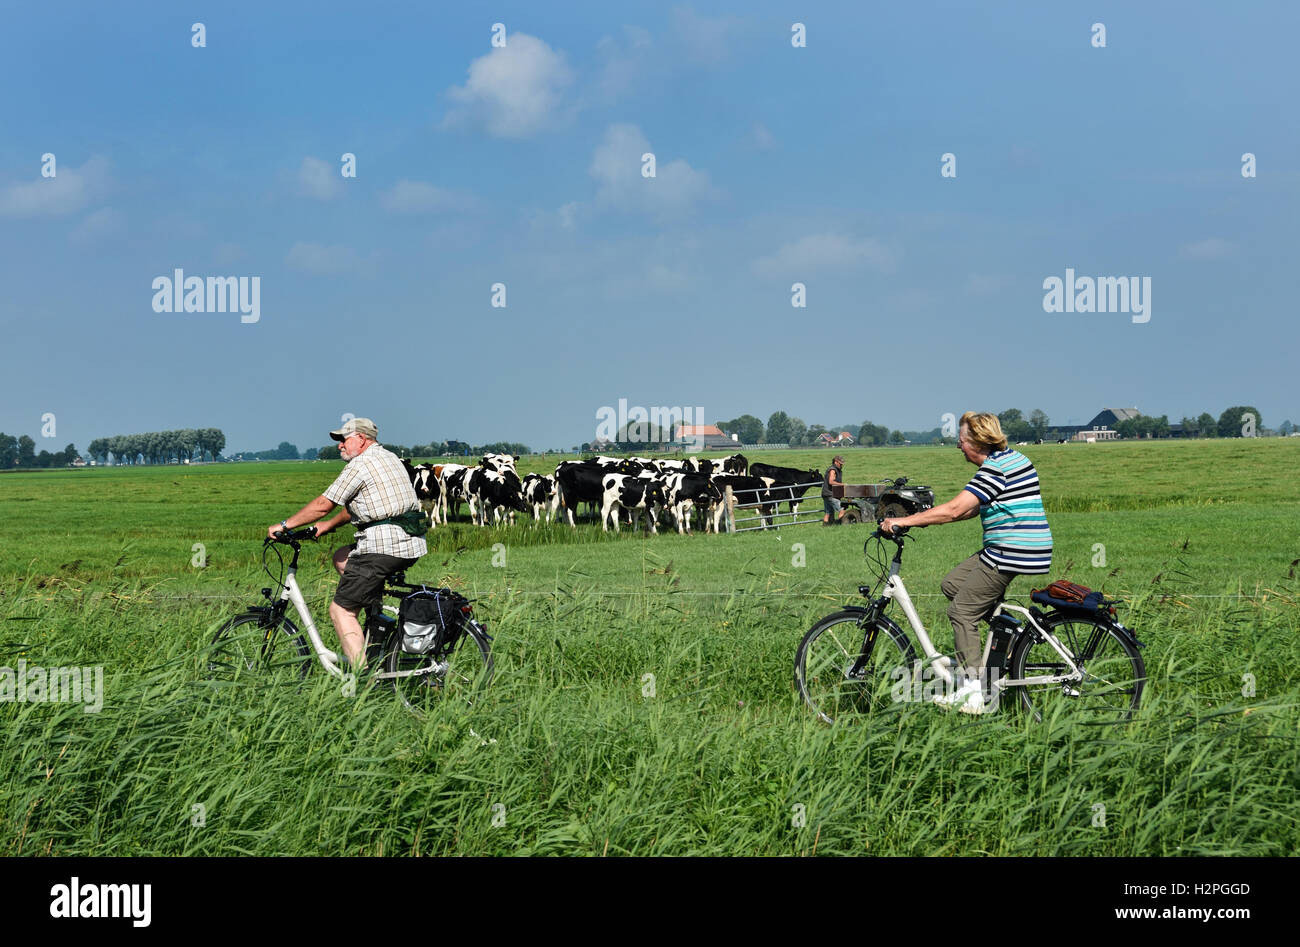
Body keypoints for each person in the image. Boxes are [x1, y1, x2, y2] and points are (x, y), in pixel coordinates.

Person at [879, 412, 1052, 714]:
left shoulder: (994, 470)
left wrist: (905, 521)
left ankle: (973, 692)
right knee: (953, 584)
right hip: (1018, 548)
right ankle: (1007, 645)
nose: (958, 447)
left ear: (977, 441)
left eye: (960, 441)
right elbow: (973, 507)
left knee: (961, 611)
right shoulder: (1013, 459)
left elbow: (957, 510)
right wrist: (926, 518)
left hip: (1010, 551)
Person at [266, 417, 427, 669]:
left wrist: (284, 525)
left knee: (340, 610)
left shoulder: (360, 465)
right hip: (409, 544)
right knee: (342, 557)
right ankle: (375, 625)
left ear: (361, 439)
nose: (339, 445)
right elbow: (364, 506)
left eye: (344, 439)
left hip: (383, 546)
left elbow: (323, 505)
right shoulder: (389, 457)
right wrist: (328, 526)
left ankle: (364, 680)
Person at [822, 455, 848, 525]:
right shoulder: (833, 470)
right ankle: (840, 524)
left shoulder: (834, 469)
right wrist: (842, 484)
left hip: (825, 494)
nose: (841, 465)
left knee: (828, 513)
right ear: (836, 462)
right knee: (842, 510)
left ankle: (825, 526)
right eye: (840, 463)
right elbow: (831, 481)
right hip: (831, 494)